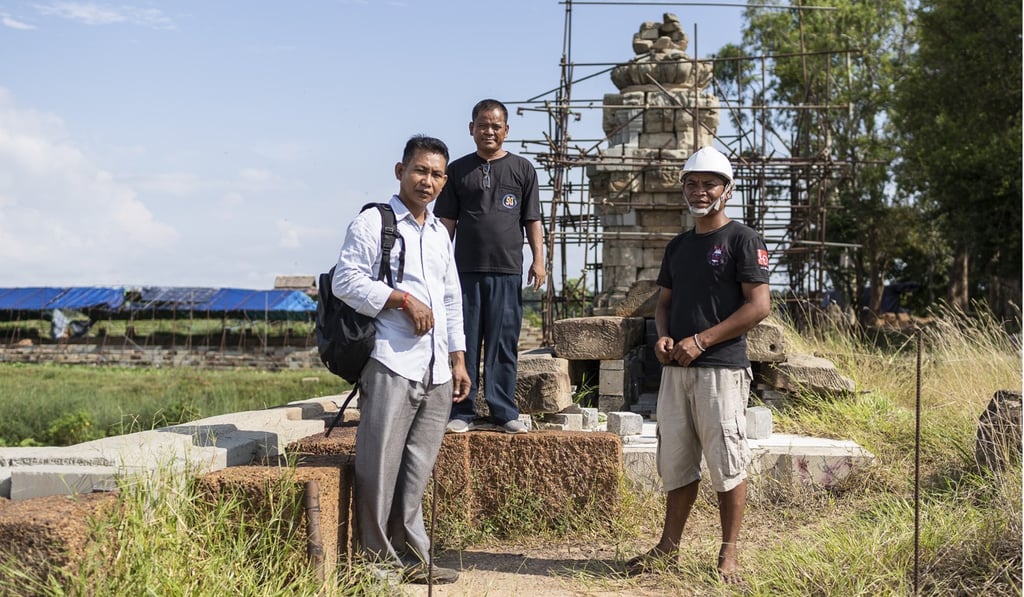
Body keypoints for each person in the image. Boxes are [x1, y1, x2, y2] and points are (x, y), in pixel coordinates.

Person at [625, 146, 770, 583]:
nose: (700, 191)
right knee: (676, 460)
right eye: (692, 183)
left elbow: (759, 305)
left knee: (727, 461)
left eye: (709, 184)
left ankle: (728, 554)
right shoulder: (679, 246)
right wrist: (665, 336)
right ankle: (668, 548)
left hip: (721, 370)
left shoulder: (743, 239)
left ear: (726, 190)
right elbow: (663, 304)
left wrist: (702, 340)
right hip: (677, 371)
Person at [332, 135, 471, 585]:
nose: (427, 181)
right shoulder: (375, 221)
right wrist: (399, 299)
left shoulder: (438, 233)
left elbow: (451, 298)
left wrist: (459, 357)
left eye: (436, 174)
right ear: (400, 171)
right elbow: (345, 281)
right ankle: (375, 564)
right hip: (391, 360)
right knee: (379, 465)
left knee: (417, 466)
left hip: (435, 368)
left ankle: (413, 557)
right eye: (420, 171)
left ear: (444, 180)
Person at [434, 99, 546, 435]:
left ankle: (503, 410)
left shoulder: (523, 169)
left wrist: (539, 259)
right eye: (483, 125)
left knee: (502, 342)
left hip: (508, 271)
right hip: (464, 272)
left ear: (506, 131)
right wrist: (438, 266)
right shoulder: (457, 170)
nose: (489, 131)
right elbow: (446, 223)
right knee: (463, 341)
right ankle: (462, 410)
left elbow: (532, 219)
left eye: (496, 125)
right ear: (472, 129)